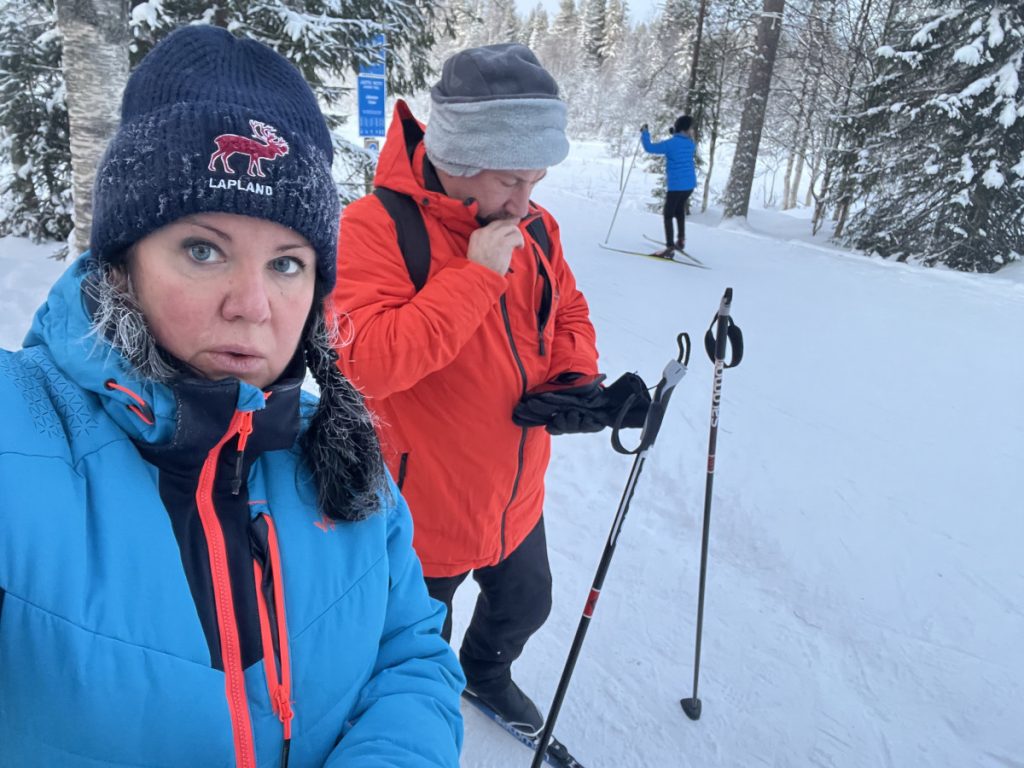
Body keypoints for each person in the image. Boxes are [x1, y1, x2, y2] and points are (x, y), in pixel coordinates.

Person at [0, 26, 464, 767]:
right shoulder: (18, 438)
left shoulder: (342, 459)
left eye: (286, 264)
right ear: (120, 265)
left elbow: (411, 654)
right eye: (203, 249)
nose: (252, 306)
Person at [331, 44, 606, 738]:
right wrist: (476, 277)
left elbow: (567, 309)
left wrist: (575, 379)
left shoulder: (535, 228)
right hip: (422, 509)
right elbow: (365, 363)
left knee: (527, 605)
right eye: (511, 179)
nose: (526, 201)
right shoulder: (375, 228)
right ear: (458, 156)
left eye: (536, 180)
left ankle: (486, 674)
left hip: (514, 493)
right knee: (417, 648)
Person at [641, 115, 697, 257]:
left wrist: (645, 133)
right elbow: (680, 143)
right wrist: (675, 134)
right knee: (679, 210)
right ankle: (681, 240)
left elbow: (649, 148)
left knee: (668, 215)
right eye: (690, 128)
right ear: (685, 130)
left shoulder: (670, 144)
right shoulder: (691, 144)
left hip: (676, 185)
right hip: (689, 185)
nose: (692, 131)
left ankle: (670, 248)